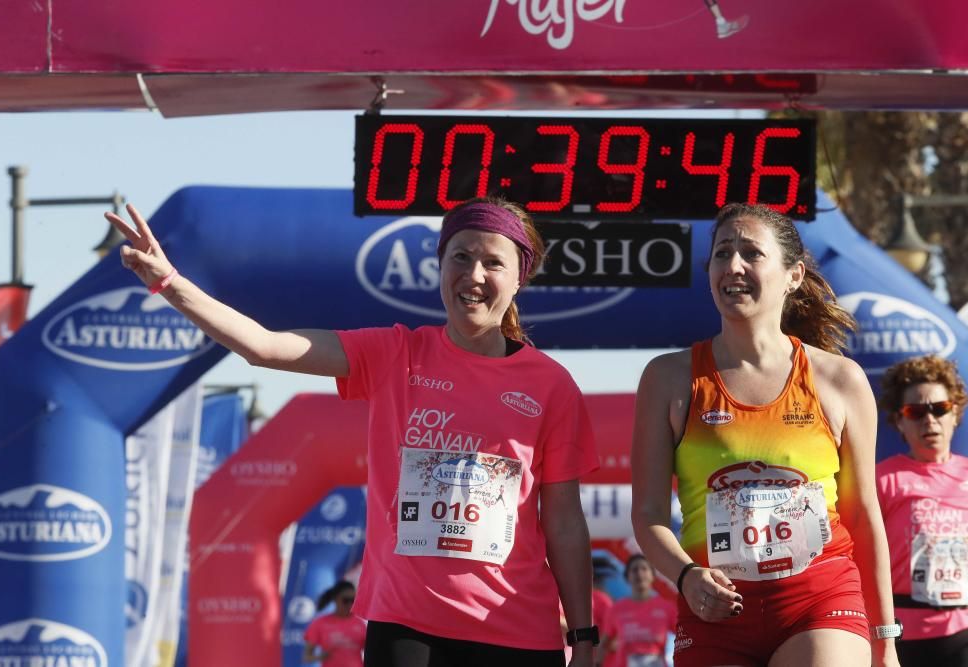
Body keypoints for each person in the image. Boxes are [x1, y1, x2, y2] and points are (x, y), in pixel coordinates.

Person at [106, 196, 599, 666]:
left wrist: (583, 637)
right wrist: (169, 282)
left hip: (516, 628)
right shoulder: (393, 354)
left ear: (519, 278)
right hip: (407, 626)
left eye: (493, 263)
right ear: (440, 265)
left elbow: (564, 524)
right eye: (460, 257)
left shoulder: (550, 385)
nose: (474, 275)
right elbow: (265, 347)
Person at [630, 202, 900, 667]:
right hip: (714, 608)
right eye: (721, 253)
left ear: (793, 275)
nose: (733, 265)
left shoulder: (839, 380)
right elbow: (649, 515)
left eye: (751, 253)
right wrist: (686, 575)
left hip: (820, 600)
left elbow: (863, 515)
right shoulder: (668, 378)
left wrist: (885, 641)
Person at [876, 355, 968, 665]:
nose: (929, 420)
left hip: (967, 630)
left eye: (939, 409)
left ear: (955, 413)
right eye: (915, 412)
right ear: (899, 421)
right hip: (903, 634)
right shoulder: (882, 480)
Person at [597, 554, 677, 667]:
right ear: (627, 576)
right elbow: (604, 644)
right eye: (634, 570)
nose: (639, 573)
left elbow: (682, 636)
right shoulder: (616, 609)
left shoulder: (667, 607)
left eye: (644, 569)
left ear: (653, 575)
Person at [303, 581, 366, 666]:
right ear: (335, 599)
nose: (350, 604)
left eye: (353, 600)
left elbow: (371, 652)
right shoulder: (320, 623)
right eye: (345, 600)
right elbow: (306, 657)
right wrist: (320, 657)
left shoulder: (361, 624)